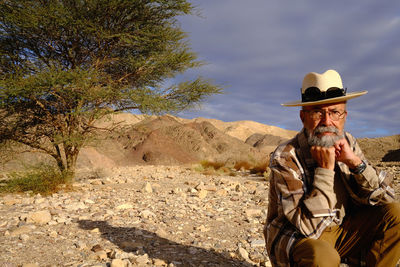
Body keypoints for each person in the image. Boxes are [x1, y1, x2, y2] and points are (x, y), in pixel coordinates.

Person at [264, 69, 400, 267]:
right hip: (300, 239)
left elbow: (387, 198)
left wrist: (356, 164)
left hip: (343, 230)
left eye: (334, 112)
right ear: (303, 117)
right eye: (318, 112)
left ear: (344, 116)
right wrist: (325, 171)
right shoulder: (286, 156)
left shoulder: (348, 144)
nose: (327, 122)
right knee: (324, 257)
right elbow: (308, 228)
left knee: (396, 214)